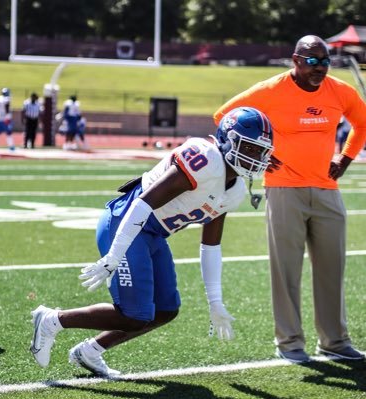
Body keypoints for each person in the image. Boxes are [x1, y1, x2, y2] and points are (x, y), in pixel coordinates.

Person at [29, 107, 278, 377]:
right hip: (126, 221)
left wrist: (215, 301)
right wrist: (114, 255)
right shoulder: (205, 158)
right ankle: (53, 320)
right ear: (228, 140)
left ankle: (90, 351)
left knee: (165, 310)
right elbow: (143, 202)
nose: (255, 158)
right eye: (250, 148)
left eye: (260, 151)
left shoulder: (236, 190)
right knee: (135, 315)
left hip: (154, 234)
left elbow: (211, 245)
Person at [213, 35, 366, 363]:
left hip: (327, 190)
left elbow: (363, 124)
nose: (320, 67)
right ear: (295, 60)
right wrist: (259, 155)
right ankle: (290, 344)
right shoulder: (270, 90)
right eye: (312, 61)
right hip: (283, 191)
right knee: (286, 271)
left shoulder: (341, 92)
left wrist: (345, 158)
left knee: (332, 269)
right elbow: (223, 117)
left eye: (325, 61)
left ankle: (335, 342)